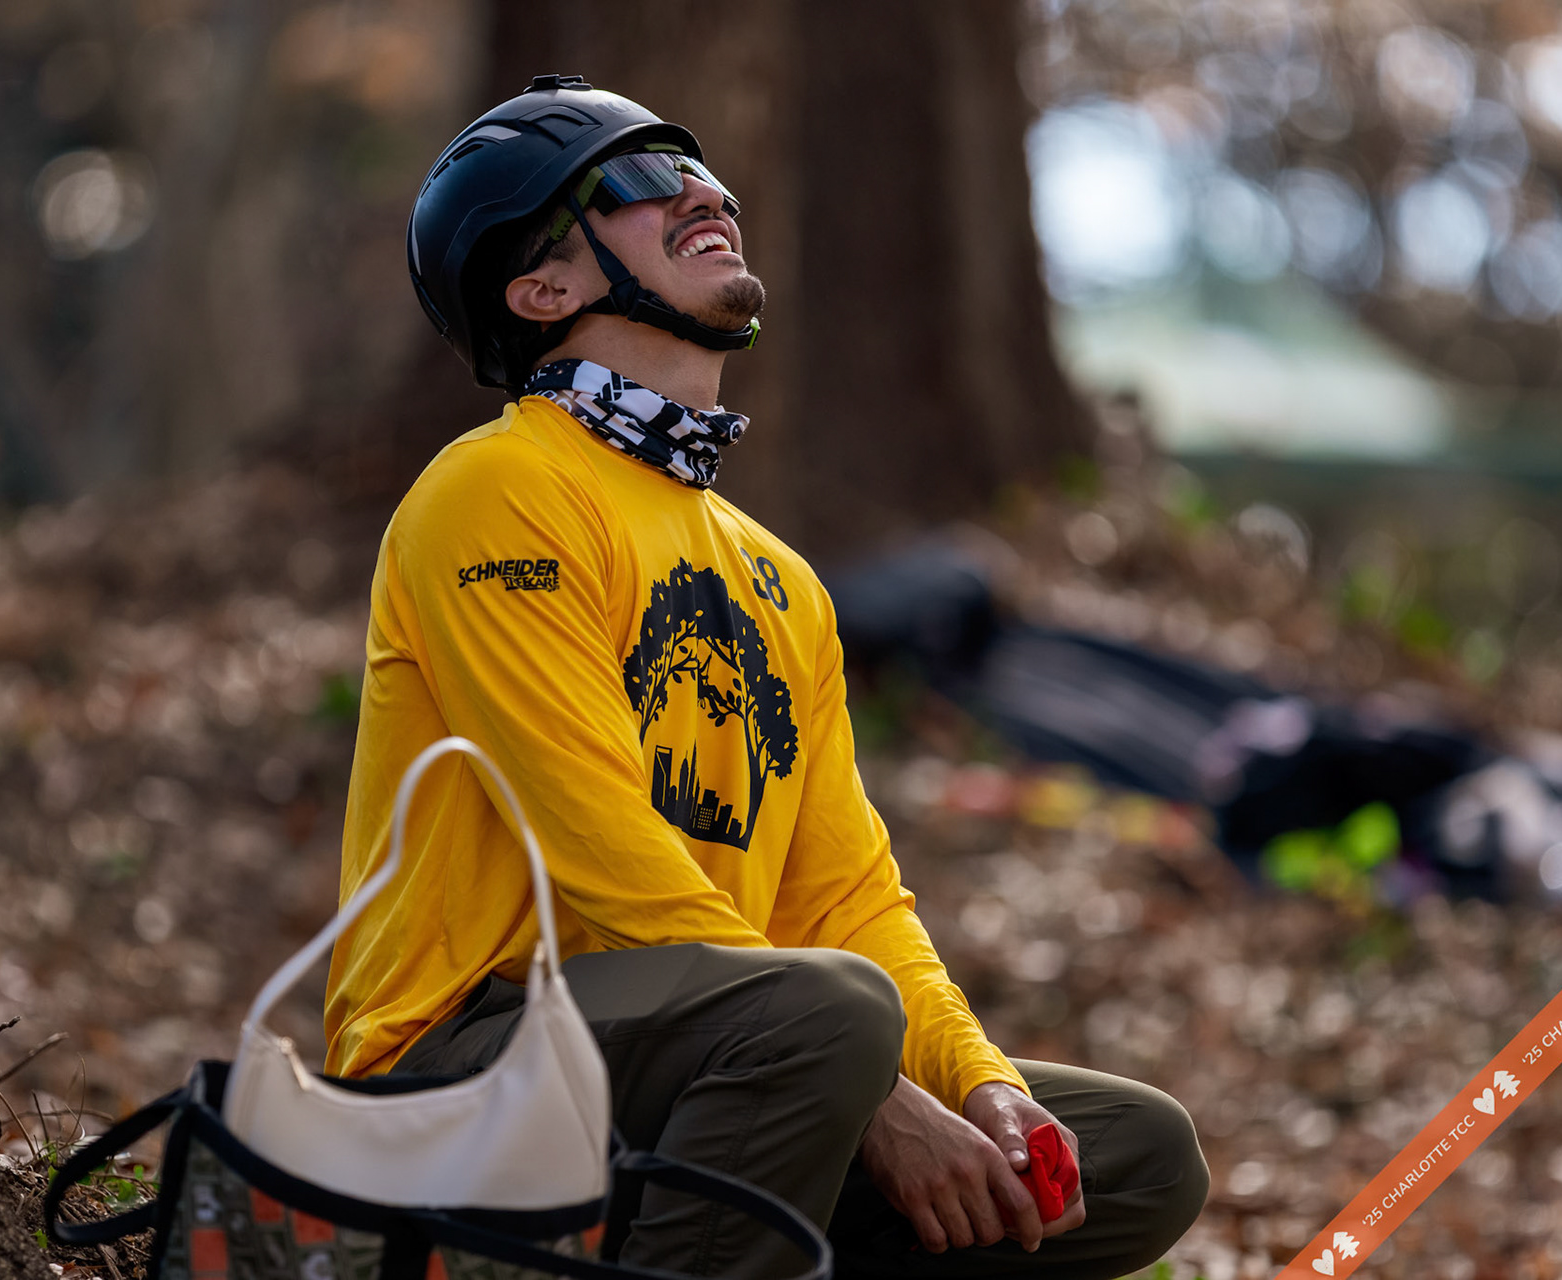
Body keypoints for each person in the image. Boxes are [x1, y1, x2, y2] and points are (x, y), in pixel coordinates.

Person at [322, 75, 1208, 1279]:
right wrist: (880, 1097)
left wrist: (982, 1088)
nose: (700, 191)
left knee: (1128, 1151)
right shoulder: (496, 492)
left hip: (725, 1057)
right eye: (635, 183)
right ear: (544, 289)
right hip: (452, 1070)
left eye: (698, 168)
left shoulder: (778, 580)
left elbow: (849, 898)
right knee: (826, 1019)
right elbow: (596, 852)